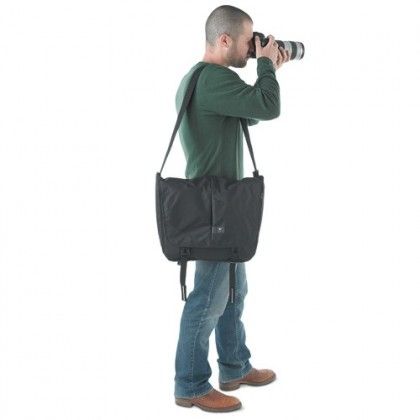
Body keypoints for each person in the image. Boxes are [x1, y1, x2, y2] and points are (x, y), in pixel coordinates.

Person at [173, 5, 290, 412]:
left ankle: (234, 366)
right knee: (208, 298)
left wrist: (270, 70)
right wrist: (267, 68)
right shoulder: (215, 78)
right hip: (216, 209)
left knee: (234, 291)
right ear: (224, 40)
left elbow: (249, 114)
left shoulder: (197, 79)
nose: (251, 48)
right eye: (247, 41)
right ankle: (190, 384)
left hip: (218, 203)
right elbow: (269, 107)